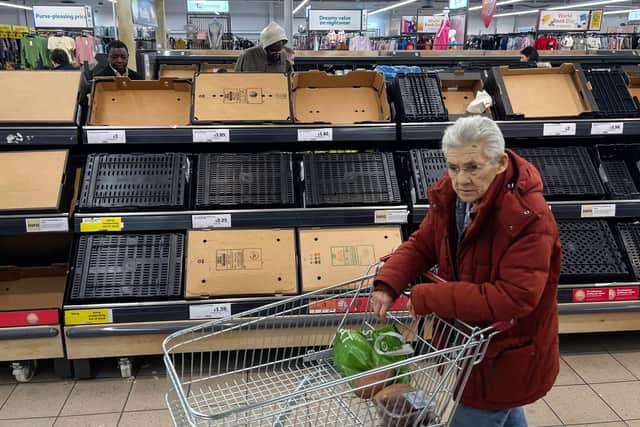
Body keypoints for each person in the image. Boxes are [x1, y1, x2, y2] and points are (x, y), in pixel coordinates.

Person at [371, 116, 561, 427]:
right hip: (476, 343)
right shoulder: (453, 196)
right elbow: (424, 243)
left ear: (499, 163)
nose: (461, 179)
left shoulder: (528, 217)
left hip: (507, 347)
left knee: (482, 410)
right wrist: (389, 282)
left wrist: (429, 297)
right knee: (503, 408)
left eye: (473, 167)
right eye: (453, 167)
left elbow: (516, 296)